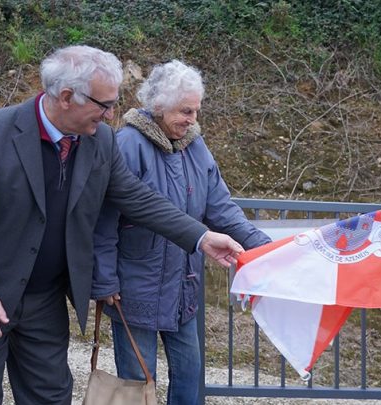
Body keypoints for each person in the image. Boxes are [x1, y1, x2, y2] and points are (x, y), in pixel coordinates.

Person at [0, 45, 244, 405]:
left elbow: (137, 198)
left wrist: (201, 237)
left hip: (43, 303)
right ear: (67, 97)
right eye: (104, 105)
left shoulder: (100, 141)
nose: (113, 113)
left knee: (51, 397)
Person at [92, 60, 271, 405]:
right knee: (137, 387)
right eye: (184, 111)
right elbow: (103, 219)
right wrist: (105, 280)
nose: (192, 119)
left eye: (195, 111)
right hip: (133, 289)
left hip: (183, 288)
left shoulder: (195, 147)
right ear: (158, 105)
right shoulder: (127, 145)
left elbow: (222, 209)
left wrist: (264, 247)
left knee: (190, 381)